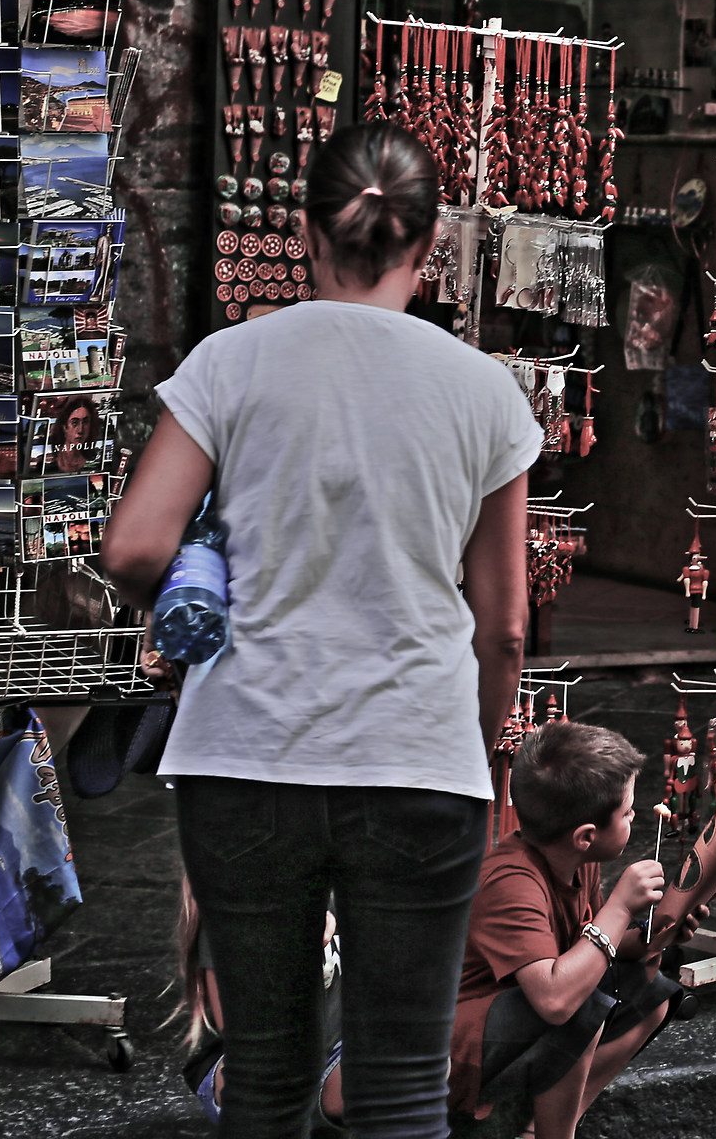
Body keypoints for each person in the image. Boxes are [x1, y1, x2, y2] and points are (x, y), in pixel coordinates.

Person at [102, 123, 543, 1139]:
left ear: (306, 233)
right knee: (401, 1089)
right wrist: (473, 748)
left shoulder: (231, 362)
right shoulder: (484, 391)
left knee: (266, 1078)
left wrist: (196, 590)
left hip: (246, 754)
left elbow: (133, 548)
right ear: (430, 244)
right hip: (418, 760)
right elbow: (507, 628)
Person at [449, 724, 704, 1139]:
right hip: (462, 1044)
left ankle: (537, 1127)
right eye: (627, 813)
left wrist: (657, 933)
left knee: (651, 991)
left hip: (529, 1007)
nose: (634, 817)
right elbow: (554, 1000)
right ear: (586, 836)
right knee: (581, 1007)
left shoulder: (579, 861)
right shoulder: (510, 882)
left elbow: (595, 944)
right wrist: (620, 906)